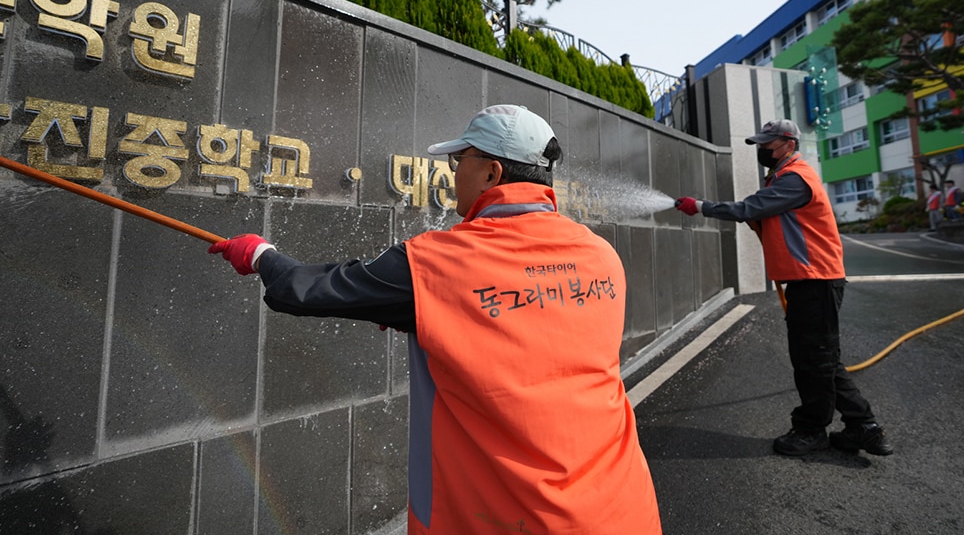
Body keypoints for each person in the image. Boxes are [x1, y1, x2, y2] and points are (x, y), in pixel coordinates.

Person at [209, 104, 662, 534]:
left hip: (508, 519)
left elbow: (303, 290)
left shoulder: (439, 262)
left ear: (491, 172)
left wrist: (259, 254)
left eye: (460, 159)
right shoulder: (600, 255)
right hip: (622, 506)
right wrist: (431, 317)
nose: (451, 172)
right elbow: (532, 329)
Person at [675, 119, 893, 458]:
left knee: (813, 362)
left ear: (788, 144)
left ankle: (811, 430)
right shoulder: (783, 178)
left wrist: (700, 206)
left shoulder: (796, 179)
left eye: (768, 144)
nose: (762, 150)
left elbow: (748, 208)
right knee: (822, 359)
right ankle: (863, 427)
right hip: (810, 281)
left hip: (815, 281)